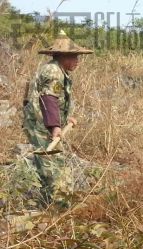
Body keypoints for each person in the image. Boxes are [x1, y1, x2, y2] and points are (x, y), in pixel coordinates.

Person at [23, 30, 92, 208]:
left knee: (56, 161)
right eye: (74, 57)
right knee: (49, 165)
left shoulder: (60, 71)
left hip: (47, 123)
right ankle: (49, 206)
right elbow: (48, 98)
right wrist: (55, 126)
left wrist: (67, 118)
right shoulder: (53, 71)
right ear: (63, 56)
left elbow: (58, 100)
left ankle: (53, 203)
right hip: (40, 124)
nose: (77, 61)